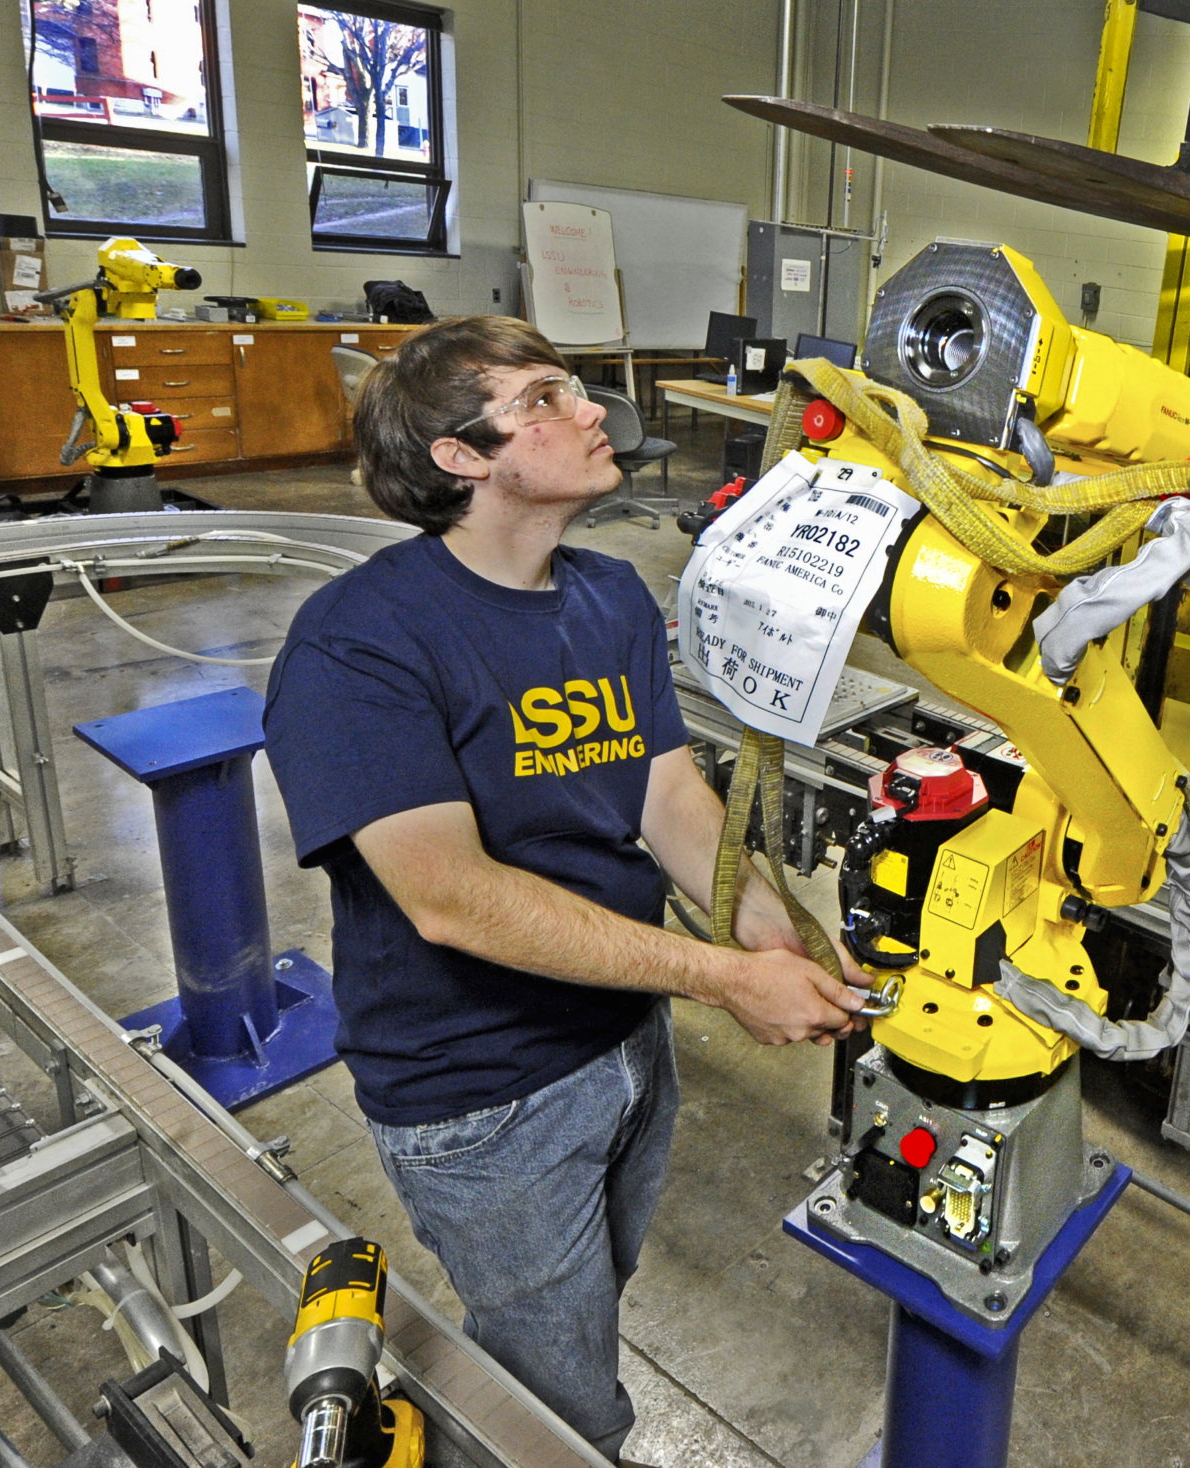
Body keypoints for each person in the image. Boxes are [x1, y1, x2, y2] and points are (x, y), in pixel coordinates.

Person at [262, 316, 863, 1463]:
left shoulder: (610, 597)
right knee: (567, 1408)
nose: (592, 411)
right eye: (545, 398)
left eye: (576, 389)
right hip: (480, 1092)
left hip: (626, 1044)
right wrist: (720, 978)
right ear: (461, 456)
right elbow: (452, 899)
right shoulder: (360, 643)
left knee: (584, 1310)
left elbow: (671, 802)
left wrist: (776, 939)